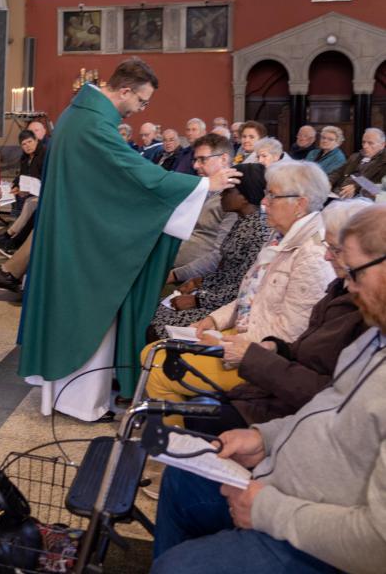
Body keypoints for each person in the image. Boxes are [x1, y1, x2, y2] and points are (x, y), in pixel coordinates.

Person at [151, 205, 386, 574]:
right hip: (287, 481)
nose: (349, 283)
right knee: (183, 479)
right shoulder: (373, 336)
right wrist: (265, 439)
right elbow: (327, 406)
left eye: (353, 269)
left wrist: (265, 509)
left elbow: (377, 544)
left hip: (321, 530)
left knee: (176, 567)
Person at [17, 58, 238, 422]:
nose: (140, 110)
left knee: (80, 311)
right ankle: (82, 402)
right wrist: (201, 184)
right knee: (92, 311)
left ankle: (72, 396)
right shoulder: (93, 124)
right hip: (87, 242)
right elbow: (132, 174)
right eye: (142, 101)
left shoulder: (81, 116)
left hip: (78, 230)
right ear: (124, 90)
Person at [144, 160, 335, 412]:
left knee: (157, 367)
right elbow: (250, 291)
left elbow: (291, 335)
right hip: (246, 334)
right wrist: (214, 320)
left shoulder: (312, 255)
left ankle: (180, 442)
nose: (264, 202)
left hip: (265, 357)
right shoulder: (279, 236)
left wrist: (224, 340)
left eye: (272, 196)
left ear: (300, 204)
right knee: (152, 351)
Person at [187, 198, 370, 434]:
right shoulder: (339, 287)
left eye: (335, 249)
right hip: (275, 387)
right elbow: (250, 295)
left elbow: (329, 394)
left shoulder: (362, 309)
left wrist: (253, 355)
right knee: (192, 406)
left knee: (181, 394)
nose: (326, 257)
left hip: (295, 415)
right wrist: (275, 348)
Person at [152, 163, 271, 341]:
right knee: (152, 311)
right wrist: (199, 282)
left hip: (226, 307)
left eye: (227, 191)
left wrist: (198, 300)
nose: (221, 195)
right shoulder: (243, 221)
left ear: (245, 197)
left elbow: (243, 287)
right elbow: (227, 271)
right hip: (215, 294)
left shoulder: (258, 231)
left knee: (155, 326)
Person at [169, 134, 241, 275]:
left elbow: (220, 256)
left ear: (224, 159)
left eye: (202, 159)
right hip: (171, 265)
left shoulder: (235, 198)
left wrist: (175, 275)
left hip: (192, 279)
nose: (195, 166)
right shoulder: (200, 188)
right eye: (195, 160)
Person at [0, 129, 44, 254]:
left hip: (44, 192)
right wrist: (16, 185)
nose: (28, 146)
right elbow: (22, 175)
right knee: (24, 201)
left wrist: (30, 188)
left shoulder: (44, 154)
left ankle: (9, 236)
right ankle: (10, 237)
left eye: (30, 142)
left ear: (36, 140)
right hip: (33, 193)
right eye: (24, 144)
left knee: (30, 204)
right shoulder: (25, 158)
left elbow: (44, 176)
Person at [327, 127, 386, 198]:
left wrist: (356, 187)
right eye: (363, 142)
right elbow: (338, 172)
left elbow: (378, 190)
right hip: (336, 194)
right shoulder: (355, 156)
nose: (365, 146)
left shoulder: (384, 162)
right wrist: (329, 182)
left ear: (382, 145)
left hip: (361, 200)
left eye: (370, 143)